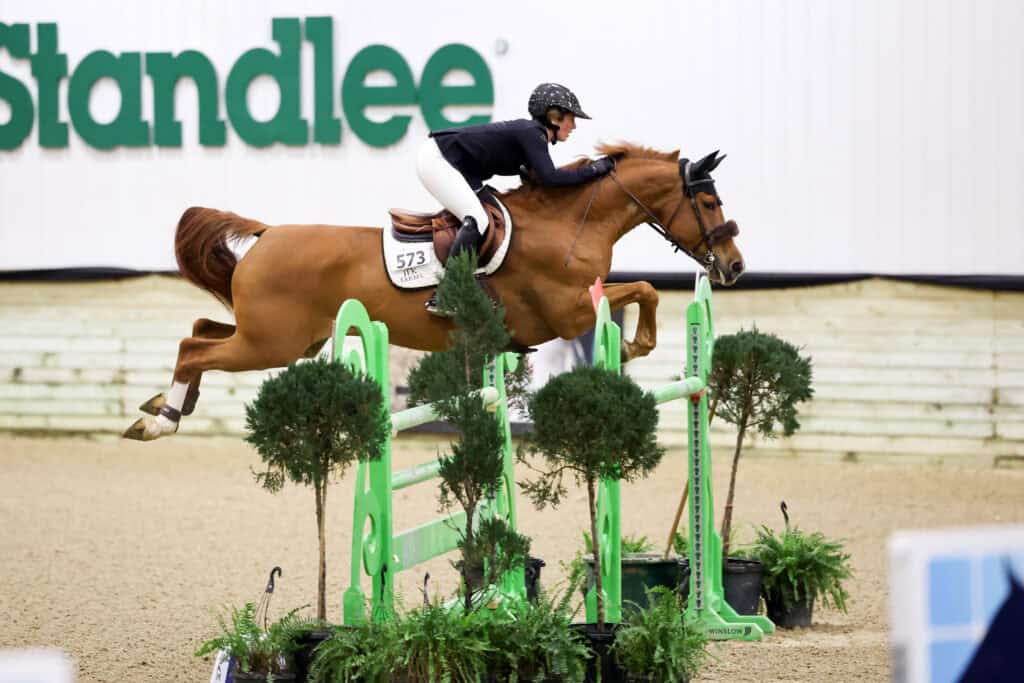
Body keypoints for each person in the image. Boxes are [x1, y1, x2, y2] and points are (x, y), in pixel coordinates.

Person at [417, 83, 615, 313]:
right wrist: (594, 171)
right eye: (571, 118)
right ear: (554, 116)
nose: (574, 126)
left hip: (458, 167)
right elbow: (551, 178)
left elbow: (540, 183)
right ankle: (446, 294)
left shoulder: (532, 136)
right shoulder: (533, 134)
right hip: (438, 160)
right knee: (478, 220)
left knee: (498, 216)